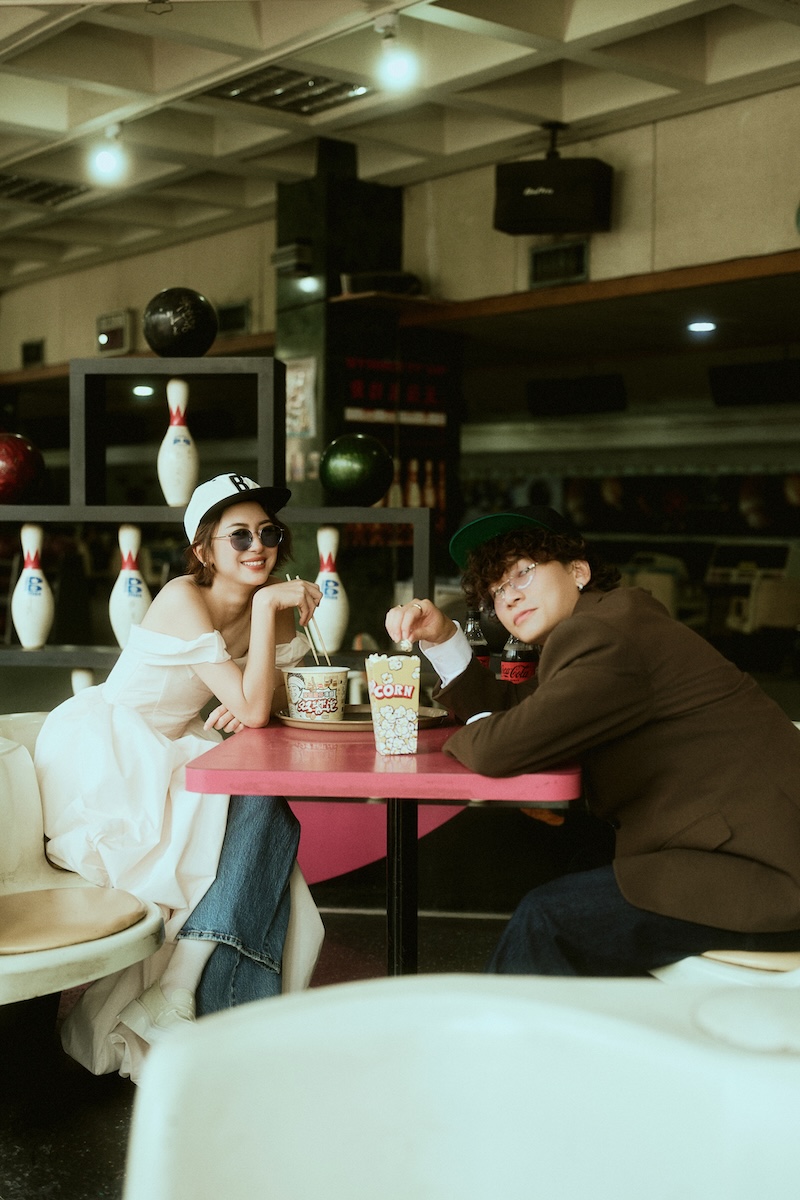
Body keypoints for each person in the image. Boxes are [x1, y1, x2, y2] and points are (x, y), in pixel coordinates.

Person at [385, 505, 800, 976]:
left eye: (523, 572)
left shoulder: (604, 634)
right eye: (496, 590)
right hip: (722, 850)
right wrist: (442, 637)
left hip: (767, 875)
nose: (510, 596)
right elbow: (517, 712)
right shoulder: (606, 624)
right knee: (572, 867)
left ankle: (502, 1030)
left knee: (548, 919)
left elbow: (499, 746)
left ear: (578, 571)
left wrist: (456, 734)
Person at [35, 473, 323, 1079]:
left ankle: (183, 999)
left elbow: (271, 702)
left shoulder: (271, 608)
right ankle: (194, 1002)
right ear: (203, 550)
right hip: (115, 758)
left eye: (268, 533)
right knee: (263, 812)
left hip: (175, 752)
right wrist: (262, 634)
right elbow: (254, 709)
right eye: (238, 535)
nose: (258, 546)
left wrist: (253, 685)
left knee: (265, 809)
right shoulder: (181, 598)